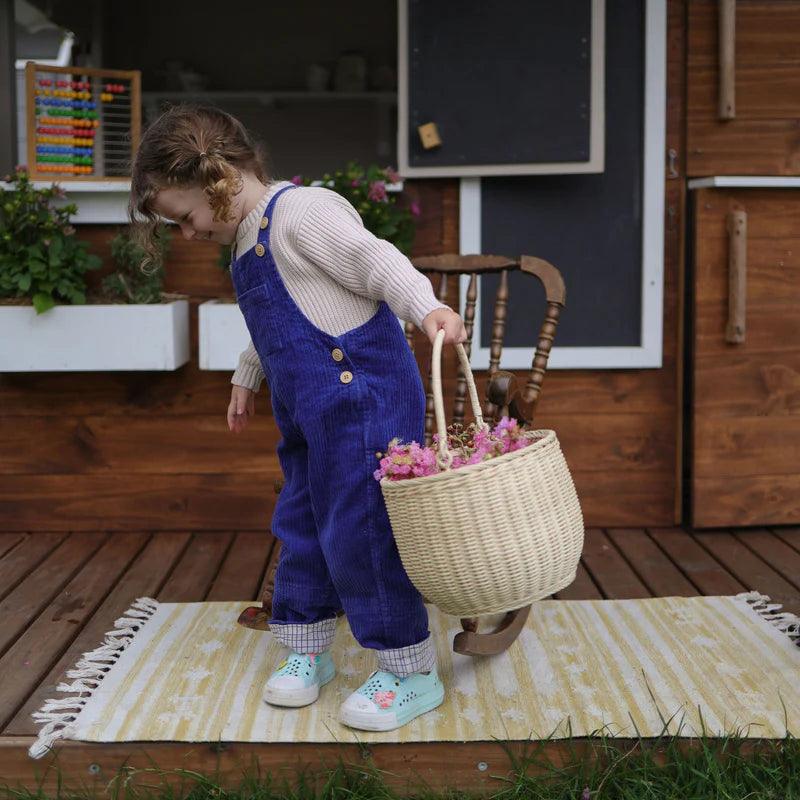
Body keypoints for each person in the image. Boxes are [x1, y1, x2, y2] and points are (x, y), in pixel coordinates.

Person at [129, 105, 466, 732]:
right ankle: (308, 649)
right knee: (304, 519)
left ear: (217, 179)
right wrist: (248, 372)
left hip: (363, 396)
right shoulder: (245, 246)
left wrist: (427, 307)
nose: (188, 233)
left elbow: (375, 261)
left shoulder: (304, 215)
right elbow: (282, 318)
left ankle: (409, 667)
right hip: (310, 413)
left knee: (362, 529)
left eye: (186, 217)